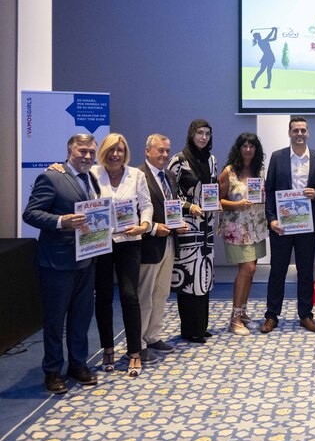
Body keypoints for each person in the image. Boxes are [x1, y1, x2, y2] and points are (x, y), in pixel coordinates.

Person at [50, 134, 153, 377]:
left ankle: (134, 352)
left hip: (130, 241)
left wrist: (145, 225)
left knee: (130, 296)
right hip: (100, 244)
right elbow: (69, 173)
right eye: (111, 150)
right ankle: (108, 349)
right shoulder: (93, 173)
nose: (115, 154)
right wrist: (55, 166)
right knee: (103, 297)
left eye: (120, 150)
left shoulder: (136, 175)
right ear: (103, 152)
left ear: (125, 152)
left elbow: (146, 205)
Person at [23, 134, 101, 394]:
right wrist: (60, 221)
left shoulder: (91, 178)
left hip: (85, 259)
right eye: (82, 151)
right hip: (56, 262)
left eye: (91, 151)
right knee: (55, 320)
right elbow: (31, 213)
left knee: (81, 318)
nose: (87, 156)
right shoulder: (51, 176)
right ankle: (53, 371)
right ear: (70, 150)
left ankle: (78, 365)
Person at [262, 116, 315, 334]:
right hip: (281, 226)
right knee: (277, 271)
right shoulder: (278, 157)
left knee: (306, 272)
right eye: (295, 130)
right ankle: (272, 316)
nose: (299, 134)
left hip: (307, 227)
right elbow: (269, 191)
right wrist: (271, 219)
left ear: (308, 133)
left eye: (303, 130)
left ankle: (306, 315)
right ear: (289, 133)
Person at [138, 134, 190, 365]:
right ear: (147, 151)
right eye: (159, 150)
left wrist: (178, 223)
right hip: (148, 244)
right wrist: (152, 228)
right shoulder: (138, 176)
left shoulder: (169, 175)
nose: (164, 155)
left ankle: (153, 336)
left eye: (167, 151)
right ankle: (138, 343)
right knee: (144, 295)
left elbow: (172, 205)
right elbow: (136, 210)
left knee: (161, 293)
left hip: (169, 242)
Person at [167, 119, 215, 344]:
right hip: (188, 226)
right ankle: (189, 329)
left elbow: (211, 189)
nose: (203, 137)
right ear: (191, 134)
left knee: (204, 277)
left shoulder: (212, 160)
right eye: (199, 133)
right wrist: (188, 206)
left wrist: (216, 203)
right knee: (189, 278)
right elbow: (168, 194)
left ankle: (201, 327)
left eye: (207, 133)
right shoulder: (178, 160)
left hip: (207, 226)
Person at [218, 133, 267, 336]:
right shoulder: (228, 172)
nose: (248, 149)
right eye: (245, 146)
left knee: (252, 269)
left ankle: (243, 313)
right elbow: (217, 200)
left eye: (252, 146)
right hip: (236, 228)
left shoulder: (259, 170)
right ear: (238, 148)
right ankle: (235, 318)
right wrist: (237, 204)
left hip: (257, 226)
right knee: (246, 268)